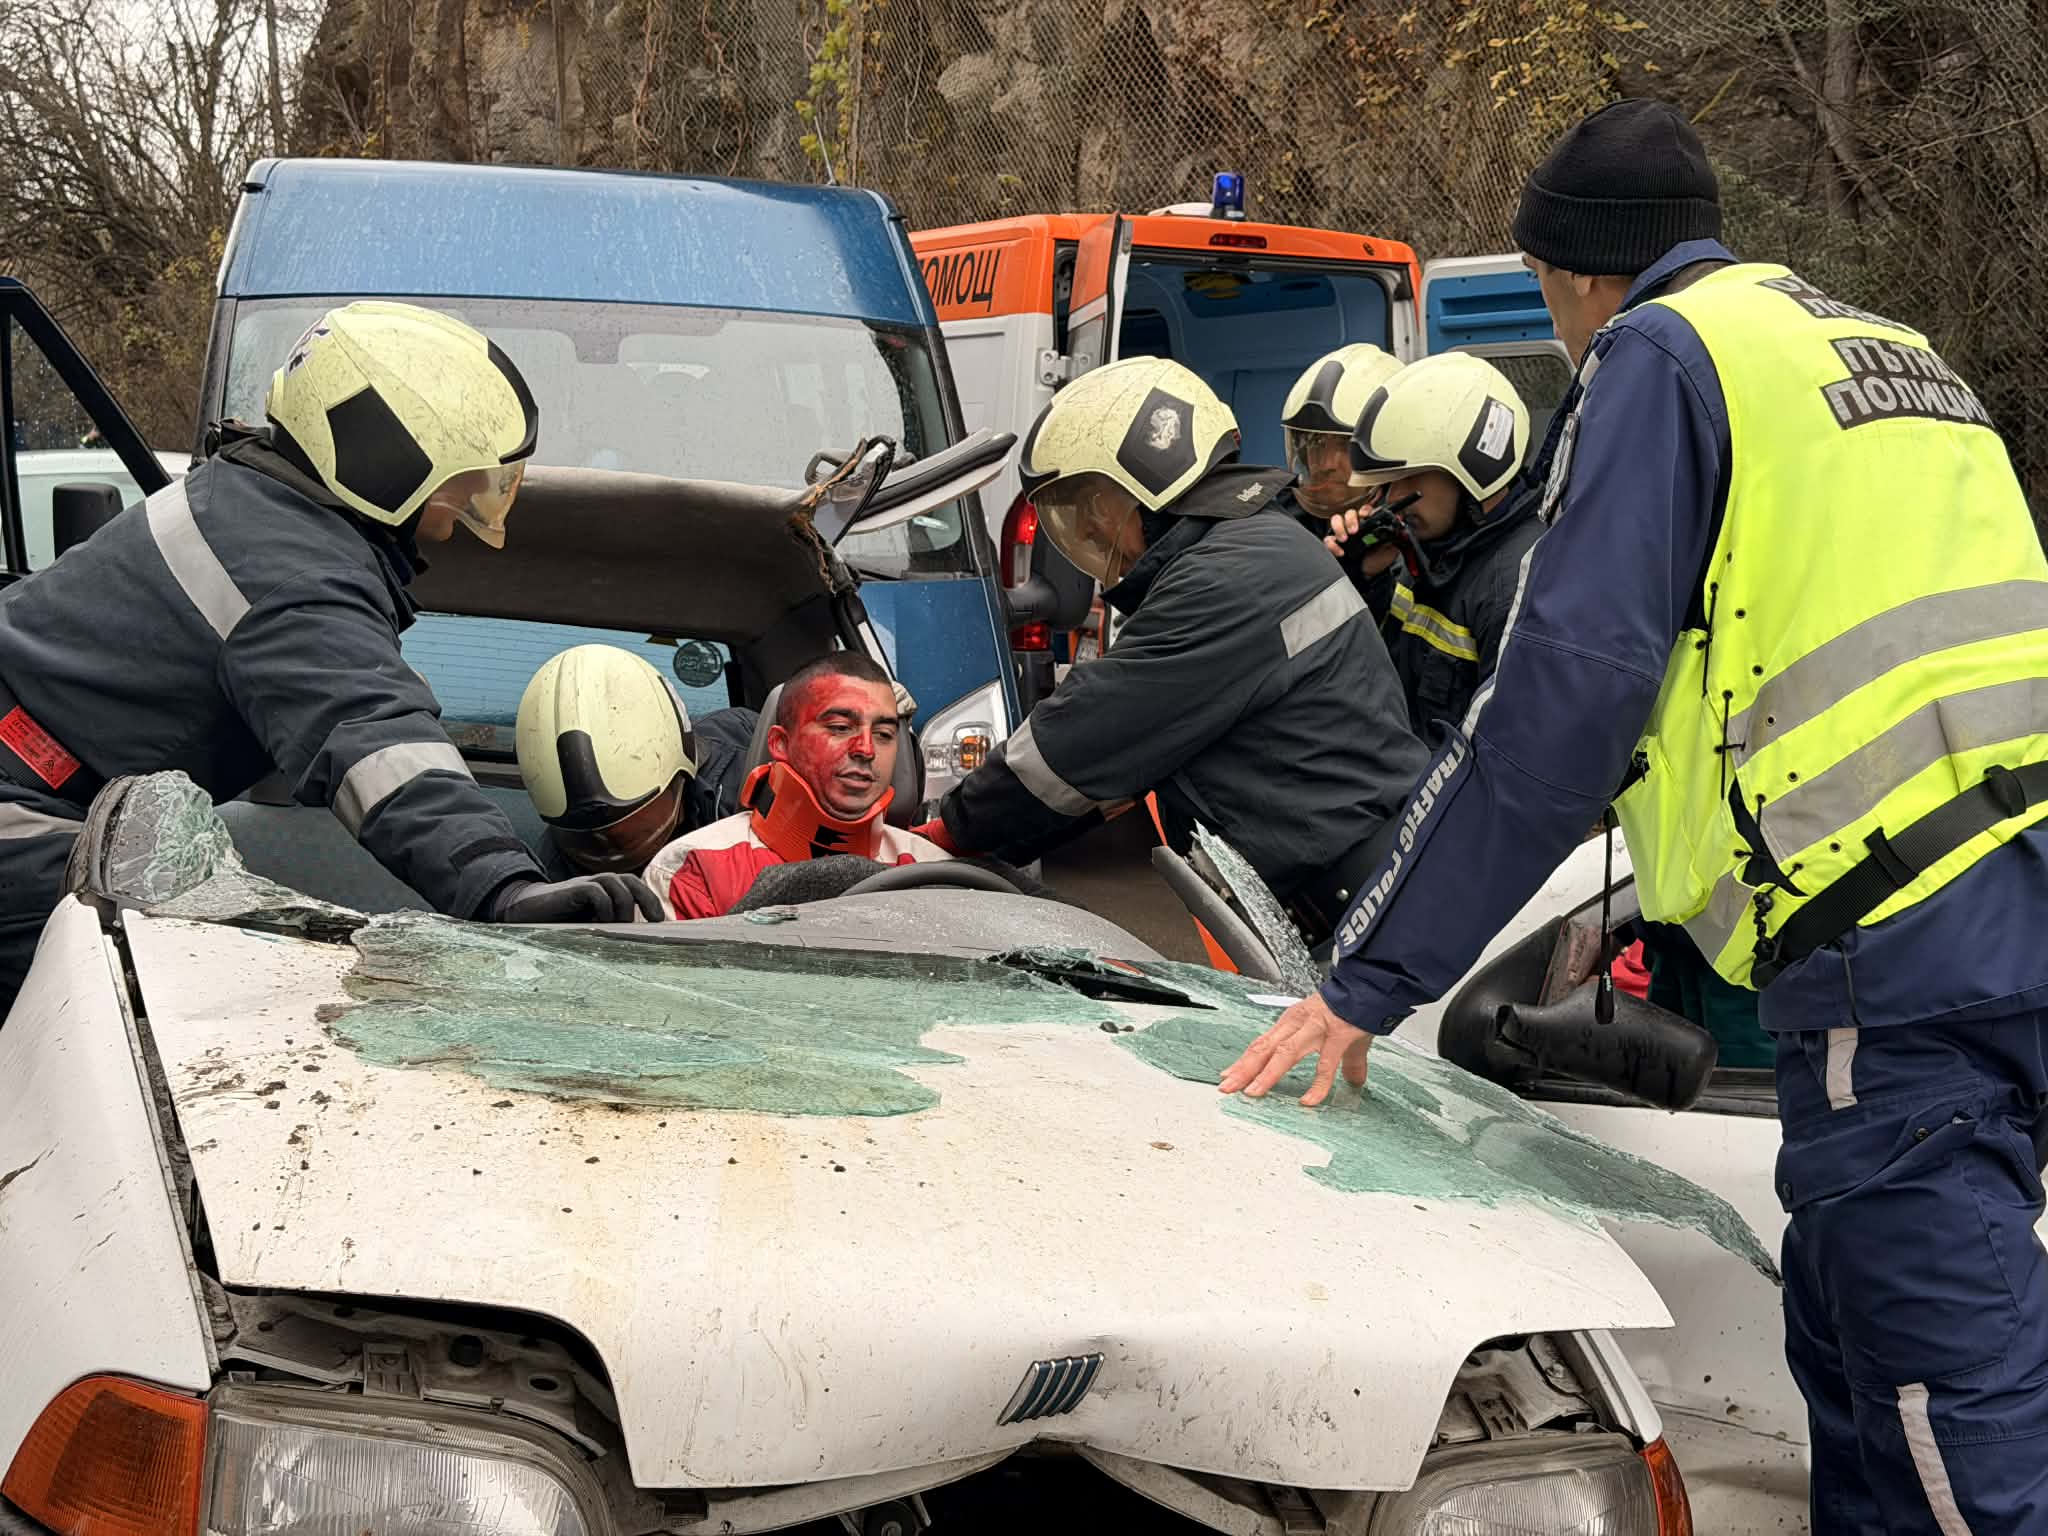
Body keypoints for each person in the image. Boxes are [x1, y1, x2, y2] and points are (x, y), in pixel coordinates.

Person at [1220, 99, 2048, 1533]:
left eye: (1548, 294)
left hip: (1891, 951)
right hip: (2002, 901)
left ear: (1578, 273)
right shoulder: (1885, 352)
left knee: (1941, 1422)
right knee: (1852, 1367)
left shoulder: (1660, 354)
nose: (1558, 330)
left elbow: (1557, 707)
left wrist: (1366, 982)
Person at [0, 301, 662, 1012]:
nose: (477, 497)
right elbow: (379, 746)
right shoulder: (291, 572)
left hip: (45, 794)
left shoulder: (245, 497)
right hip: (24, 811)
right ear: (387, 461)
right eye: (465, 476)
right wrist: (504, 888)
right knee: (176, 1017)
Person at [912, 356, 1427, 945]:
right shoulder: (1259, 543)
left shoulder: (1225, 577)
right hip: (1362, 887)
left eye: (1093, 506)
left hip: (1359, 907)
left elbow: (1082, 737)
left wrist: (946, 833)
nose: (1090, 531)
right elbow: (1119, 762)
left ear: (1153, 483)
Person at [1330, 352, 1542, 734]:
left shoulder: (1518, 589)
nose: (1394, 498)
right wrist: (1360, 580)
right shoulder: (1421, 553)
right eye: (1388, 482)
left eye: (1410, 477)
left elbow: (1501, 750)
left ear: (1476, 468)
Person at [644, 653, 946, 918]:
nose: (866, 749)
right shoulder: (691, 869)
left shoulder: (932, 870)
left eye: (883, 734)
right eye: (840, 728)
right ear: (780, 743)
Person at [515, 645, 699, 879]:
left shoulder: (741, 776)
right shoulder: (549, 876)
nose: (612, 857)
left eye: (634, 837)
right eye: (588, 844)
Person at [1279, 344, 1408, 613]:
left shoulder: (1408, 539)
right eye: (1315, 443)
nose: (1324, 464)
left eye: (1345, 445)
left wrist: (1365, 575)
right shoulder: (1278, 521)